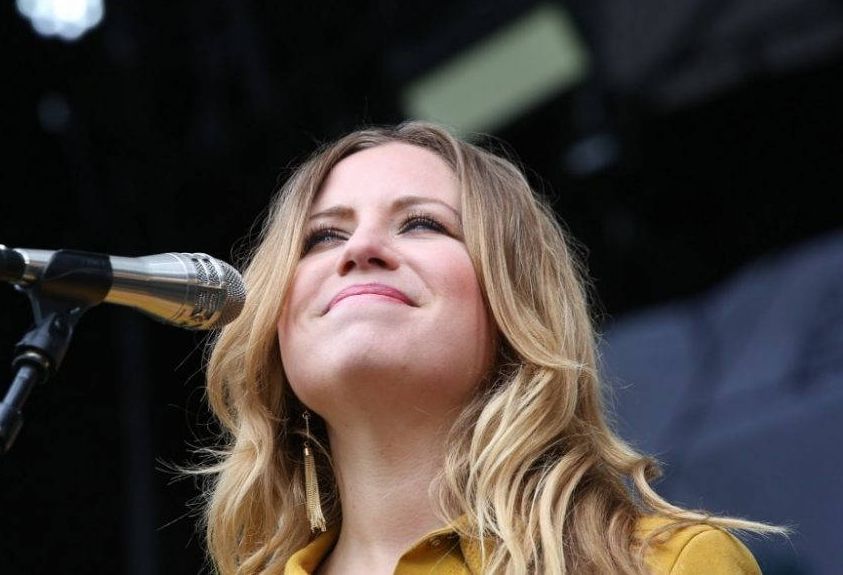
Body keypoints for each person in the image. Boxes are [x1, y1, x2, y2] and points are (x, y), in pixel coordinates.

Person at [197, 122, 783, 574]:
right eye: (322, 236)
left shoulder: (667, 566)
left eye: (422, 224)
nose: (361, 249)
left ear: (515, 302)